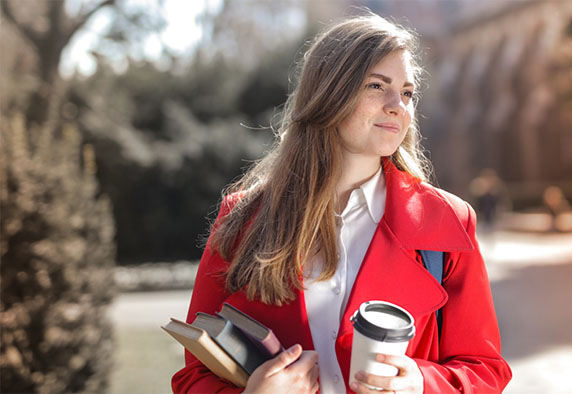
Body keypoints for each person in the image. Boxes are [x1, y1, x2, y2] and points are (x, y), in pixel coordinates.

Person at [172, 13, 511, 394]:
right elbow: (193, 376)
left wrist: (422, 383)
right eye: (377, 85)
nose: (398, 105)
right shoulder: (242, 218)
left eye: (408, 92)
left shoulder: (447, 221)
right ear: (329, 94)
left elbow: (484, 370)